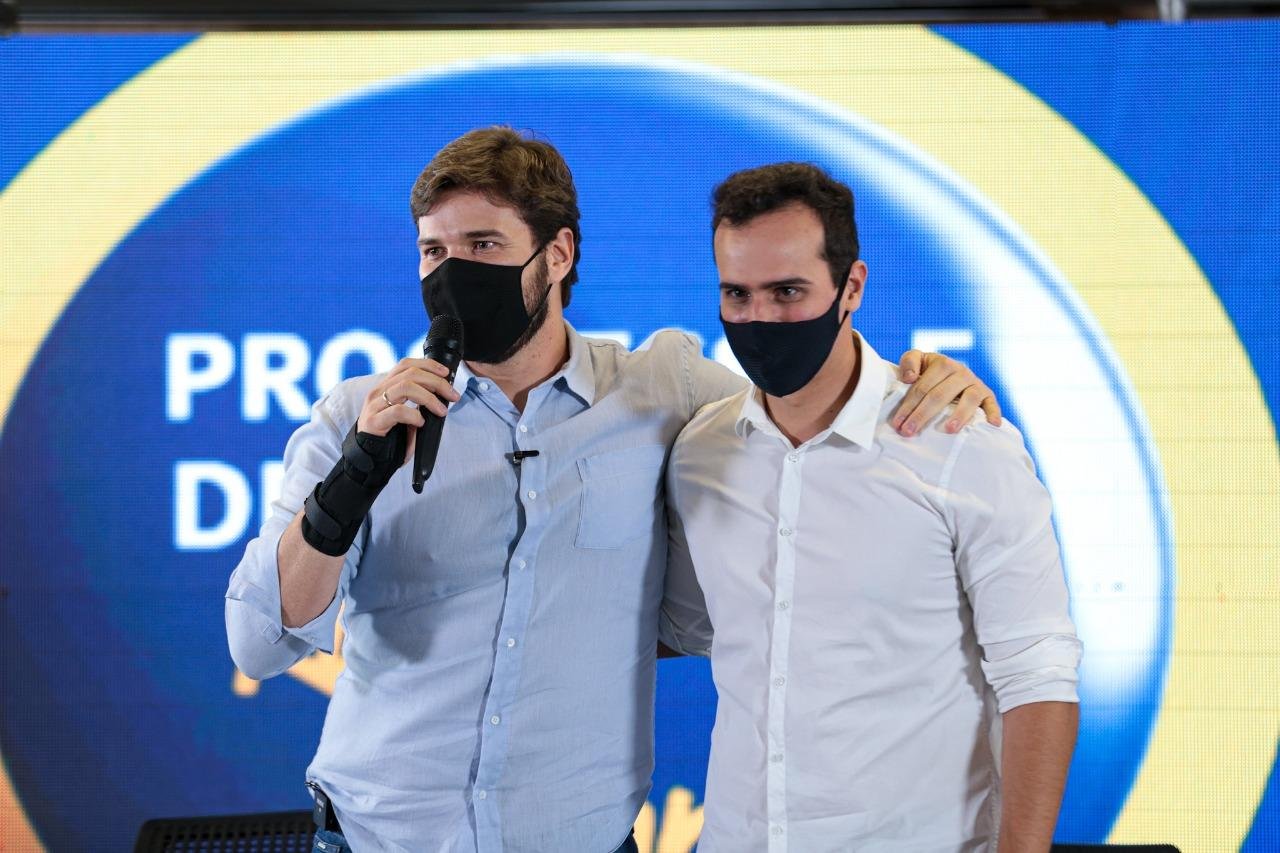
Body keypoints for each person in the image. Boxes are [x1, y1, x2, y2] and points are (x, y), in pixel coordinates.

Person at [224, 127, 1000, 853]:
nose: (454, 273)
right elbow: (258, 644)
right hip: (378, 838)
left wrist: (920, 382)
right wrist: (355, 475)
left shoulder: (662, 390)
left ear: (558, 253)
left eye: (484, 245)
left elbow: (807, 396)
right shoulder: (356, 413)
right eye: (434, 250)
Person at [663, 163, 1081, 852]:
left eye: (787, 291)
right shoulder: (700, 452)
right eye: (737, 293)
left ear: (851, 286)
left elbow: (1037, 671)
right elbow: (688, 625)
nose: (759, 318)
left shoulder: (963, 444)